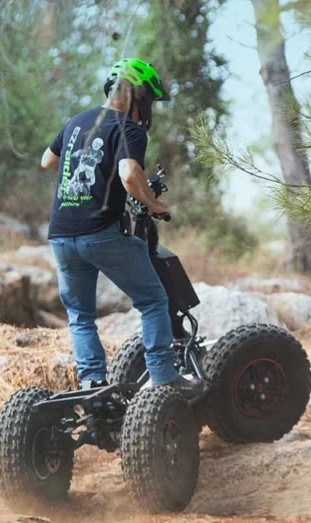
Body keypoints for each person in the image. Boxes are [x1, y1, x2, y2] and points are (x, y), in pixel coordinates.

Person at [40, 58, 201, 394]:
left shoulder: (77, 121)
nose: (148, 111)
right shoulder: (128, 128)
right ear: (137, 97)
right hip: (98, 233)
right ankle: (163, 377)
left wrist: (91, 183)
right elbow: (130, 175)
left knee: (81, 316)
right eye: (148, 102)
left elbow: (48, 160)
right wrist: (155, 204)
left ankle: (93, 384)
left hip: (60, 235)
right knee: (153, 299)